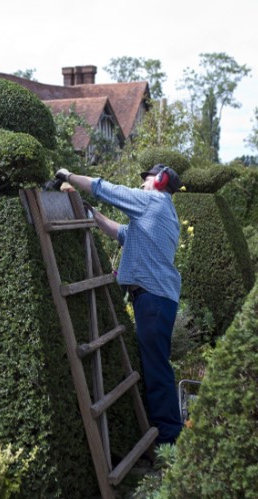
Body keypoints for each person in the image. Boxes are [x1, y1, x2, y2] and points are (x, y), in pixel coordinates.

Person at [55, 164, 183, 445]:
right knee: (156, 364)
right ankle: (168, 432)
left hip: (153, 298)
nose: (141, 185)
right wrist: (93, 214)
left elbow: (106, 189)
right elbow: (124, 235)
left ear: (160, 182)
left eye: (147, 179)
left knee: (156, 368)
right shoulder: (163, 210)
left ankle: (169, 439)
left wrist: (68, 176)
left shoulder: (153, 201)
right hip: (156, 298)